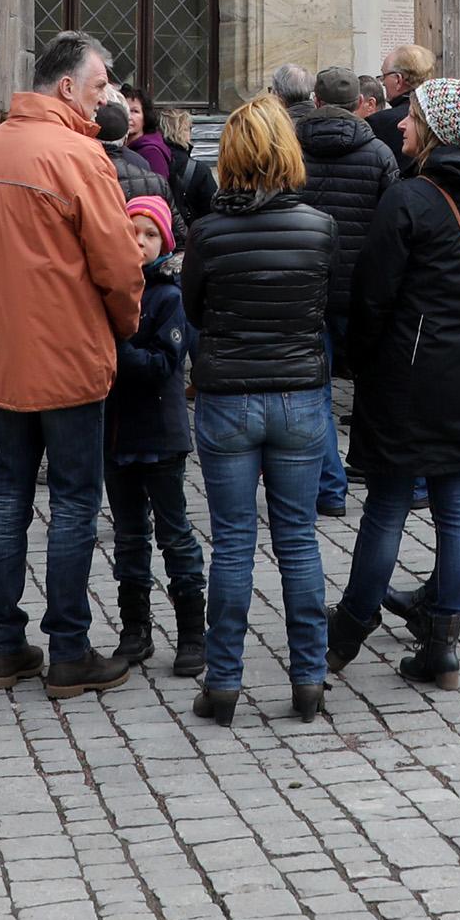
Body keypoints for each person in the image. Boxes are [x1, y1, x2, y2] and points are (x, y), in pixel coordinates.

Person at [0, 32, 146, 697]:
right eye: (100, 89)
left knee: (9, 495)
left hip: (4, 351)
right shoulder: (76, 154)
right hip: (67, 351)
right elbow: (120, 263)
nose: (107, 101)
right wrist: (124, 325)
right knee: (73, 500)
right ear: (67, 87)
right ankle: (68, 648)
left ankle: (6, 647)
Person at [330, 79, 460, 685]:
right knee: (459, 511)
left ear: (434, 129)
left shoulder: (410, 197)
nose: (403, 127)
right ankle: (443, 644)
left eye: (411, 119)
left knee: (386, 507)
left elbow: (373, 296)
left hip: (409, 378)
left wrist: (360, 361)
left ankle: (349, 627)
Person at [180, 98, 336, 725]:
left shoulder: (209, 233)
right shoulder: (320, 226)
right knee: (298, 540)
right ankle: (309, 679)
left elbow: (193, 310)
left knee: (234, 543)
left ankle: (223, 682)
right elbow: (325, 306)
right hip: (299, 395)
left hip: (227, 397)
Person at [104, 195, 207, 677]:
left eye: (149, 235)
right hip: (116, 435)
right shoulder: (109, 290)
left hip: (161, 434)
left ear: (163, 242)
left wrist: (115, 348)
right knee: (128, 537)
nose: (140, 242)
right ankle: (134, 628)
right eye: (132, 232)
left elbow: (162, 365)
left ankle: (192, 632)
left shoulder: (169, 296)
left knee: (174, 533)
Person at [294, 66, 398, 514]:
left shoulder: (292, 147)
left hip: (309, 284)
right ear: (360, 103)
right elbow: (392, 221)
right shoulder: (377, 152)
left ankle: (329, 487)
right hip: (363, 287)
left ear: (315, 100)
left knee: (316, 388)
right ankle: (386, 477)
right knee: (374, 385)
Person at [96, 96, 170, 207]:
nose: (129, 117)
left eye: (135, 111)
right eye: (126, 111)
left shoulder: (151, 152)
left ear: (146, 117)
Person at [370, 42, 436, 160]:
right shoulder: (439, 116)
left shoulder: (379, 123)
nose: (383, 82)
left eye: (384, 76)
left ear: (398, 80)